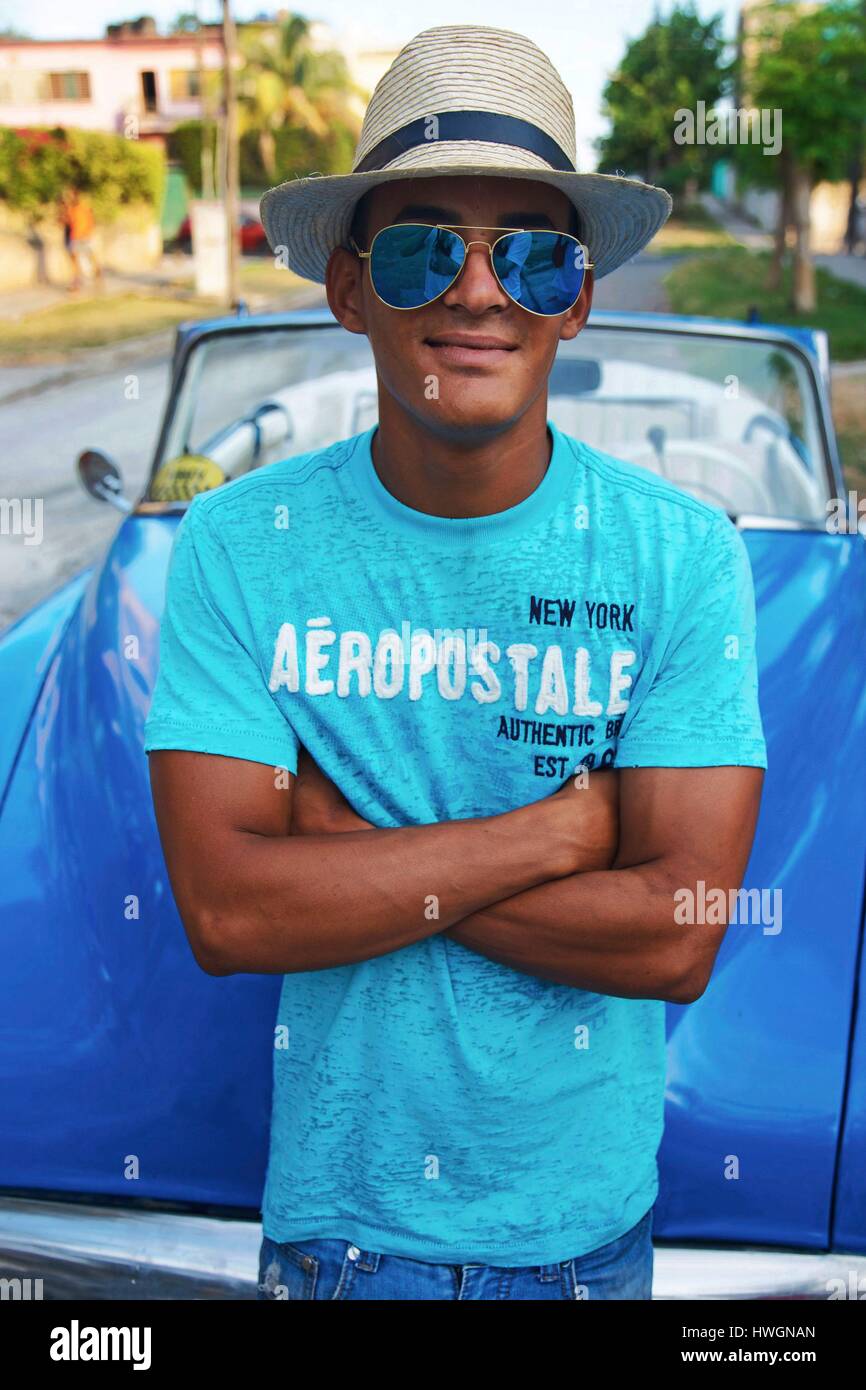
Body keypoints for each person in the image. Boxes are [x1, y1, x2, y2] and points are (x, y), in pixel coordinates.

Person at [144, 24, 767, 1301]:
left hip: (580, 1248)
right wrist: (555, 835)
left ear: (577, 298)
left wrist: (342, 840)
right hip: (336, 1238)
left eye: (533, 258)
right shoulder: (237, 547)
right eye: (427, 249)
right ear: (351, 288)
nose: (478, 295)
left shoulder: (681, 555)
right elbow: (228, 912)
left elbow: (677, 937)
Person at [60, 186, 101, 292]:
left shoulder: (84, 208)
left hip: (85, 237)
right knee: (75, 261)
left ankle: (98, 277)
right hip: (75, 237)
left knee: (91, 258)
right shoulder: (70, 209)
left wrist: (88, 233)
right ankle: (76, 283)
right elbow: (66, 222)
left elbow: (91, 221)